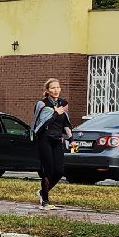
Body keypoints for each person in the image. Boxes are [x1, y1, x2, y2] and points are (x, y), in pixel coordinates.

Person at [31, 78, 73, 207]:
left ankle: (43, 192)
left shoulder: (63, 103)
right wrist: (55, 113)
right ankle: (45, 201)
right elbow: (42, 124)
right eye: (53, 88)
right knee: (48, 170)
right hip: (44, 139)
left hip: (57, 140)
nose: (56, 90)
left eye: (58, 87)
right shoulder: (42, 104)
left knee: (59, 171)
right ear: (47, 91)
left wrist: (71, 139)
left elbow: (65, 123)